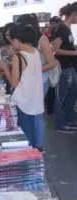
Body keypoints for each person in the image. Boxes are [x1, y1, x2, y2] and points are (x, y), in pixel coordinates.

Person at [0, 23, 44, 151]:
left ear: (17, 41)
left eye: (12, 41)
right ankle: (38, 149)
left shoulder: (18, 57)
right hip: (35, 95)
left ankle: (29, 152)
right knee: (36, 123)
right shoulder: (36, 52)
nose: (12, 44)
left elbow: (14, 83)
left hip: (23, 98)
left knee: (26, 128)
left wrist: (6, 68)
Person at [51, 2, 77, 133]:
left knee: (73, 91)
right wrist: (74, 52)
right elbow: (55, 50)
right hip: (63, 67)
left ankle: (68, 119)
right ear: (73, 14)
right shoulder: (61, 29)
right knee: (61, 96)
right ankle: (60, 124)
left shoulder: (67, 28)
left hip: (69, 66)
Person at [16, 13, 56, 95]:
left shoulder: (42, 40)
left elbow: (52, 64)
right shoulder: (27, 39)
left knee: (36, 105)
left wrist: (34, 71)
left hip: (41, 79)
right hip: (29, 79)